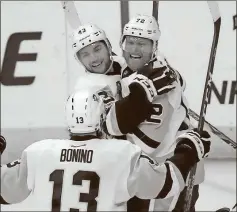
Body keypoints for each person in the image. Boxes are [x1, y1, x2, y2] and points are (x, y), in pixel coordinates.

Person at [0, 88, 211, 211]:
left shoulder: (38, 153)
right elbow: (167, 184)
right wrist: (189, 148)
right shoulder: (121, 154)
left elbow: (5, 194)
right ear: (102, 118)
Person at [103, 14, 204, 211]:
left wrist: (112, 117)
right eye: (130, 42)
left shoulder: (163, 84)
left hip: (175, 169)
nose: (134, 49)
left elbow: (149, 144)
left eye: (142, 44)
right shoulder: (134, 70)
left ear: (154, 47)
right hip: (152, 173)